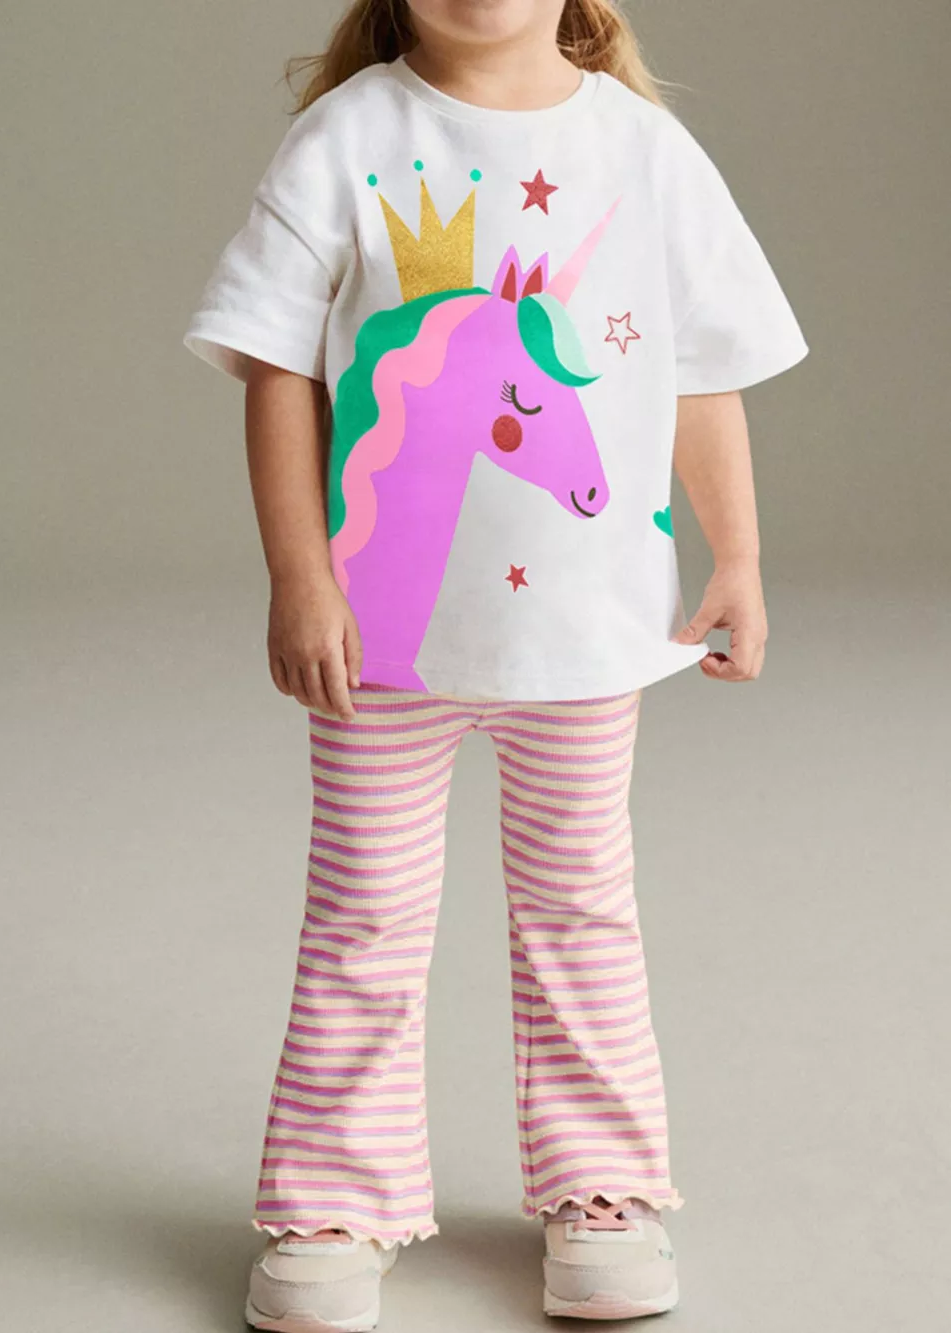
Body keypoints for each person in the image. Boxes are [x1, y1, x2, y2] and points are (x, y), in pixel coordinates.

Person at [185, 0, 807, 1325]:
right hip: (379, 652)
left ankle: (606, 1189)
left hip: (585, 645)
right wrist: (300, 577)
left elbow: (702, 368)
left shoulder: (643, 151)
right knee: (362, 920)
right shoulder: (343, 138)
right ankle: (335, 1197)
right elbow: (275, 369)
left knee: (583, 913)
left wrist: (740, 556)